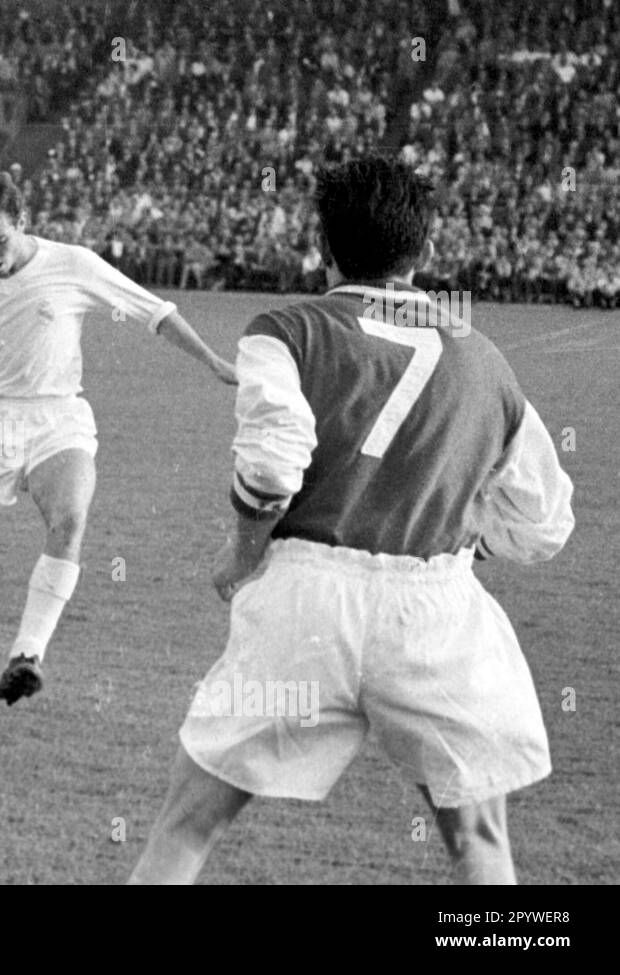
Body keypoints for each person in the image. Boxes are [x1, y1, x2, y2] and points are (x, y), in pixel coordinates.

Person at [128, 157, 575, 885]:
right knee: (481, 844)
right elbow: (544, 523)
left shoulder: (286, 328)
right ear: (423, 251)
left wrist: (241, 553)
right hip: (437, 608)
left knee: (188, 824)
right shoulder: (488, 361)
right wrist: (443, 532)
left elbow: (272, 466)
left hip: (306, 598)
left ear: (324, 247)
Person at [0, 174, 237, 705]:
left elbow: (154, 311)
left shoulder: (71, 263)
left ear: (23, 223)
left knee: (70, 518)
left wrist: (212, 360)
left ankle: (27, 654)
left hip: (57, 416)